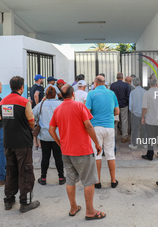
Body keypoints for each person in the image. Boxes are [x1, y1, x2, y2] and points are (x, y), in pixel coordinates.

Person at [48, 84, 106, 220]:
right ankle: (90, 211)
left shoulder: (58, 109)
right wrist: (97, 143)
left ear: (61, 95)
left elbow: (51, 130)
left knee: (70, 180)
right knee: (89, 181)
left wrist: (60, 143)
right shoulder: (79, 106)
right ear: (73, 94)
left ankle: (73, 207)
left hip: (66, 151)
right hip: (82, 150)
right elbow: (89, 126)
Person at [0, 76, 40, 213]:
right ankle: (25, 202)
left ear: (10, 87)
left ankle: (8, 200)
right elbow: (31, 121)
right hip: (23, 142)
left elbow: (1, 118)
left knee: (10, 170)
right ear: (21, 87)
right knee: (25, 171)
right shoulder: (24, 102)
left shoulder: (2, 102)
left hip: (8, 142)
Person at [86, 75, 119, 189]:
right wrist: (108, 115)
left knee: (96, 154)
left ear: (95, 83)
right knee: (110, 154)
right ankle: (113, 180)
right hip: (109, 127)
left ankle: (97, 181)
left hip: (96, 128)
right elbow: (117, 111)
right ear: (104, 83)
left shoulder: (91, 94)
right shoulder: (112, 93)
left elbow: (87, 112)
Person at [33, 87, 65, 186]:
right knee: (58, 157)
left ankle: (43, 178)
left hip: (44, 135)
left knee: (45, 157)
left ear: (46, 94)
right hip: (57, 135)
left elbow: (33, 114)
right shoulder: (61, 104)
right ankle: (61, 177)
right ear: (55, 94)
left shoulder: (41, 104)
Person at [141, 78, 158, 160]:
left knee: (150, 138)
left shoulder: (147, 93)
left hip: (150, 119)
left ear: (150, 85)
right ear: (157, 84)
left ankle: (150, 154)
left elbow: (144, 107)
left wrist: (143, 117)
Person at [110, 73, 130, 143]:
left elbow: (111, 96)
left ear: (116, 77)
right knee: (124, 121)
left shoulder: (112, 85)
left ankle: (114, 136)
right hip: (124, 105)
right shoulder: (126, 85)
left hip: (115, 106)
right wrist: (127, 103)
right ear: (122, 78)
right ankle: (124, 137)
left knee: (115, 120)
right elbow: (128, 96)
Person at [129, 77, 147, 150]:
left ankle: (134, 144)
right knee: (144, 128)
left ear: (133, 84)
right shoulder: (145, 91)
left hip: (135, 113)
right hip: (144, 114)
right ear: (140, 83)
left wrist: (132, 111)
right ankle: (145, 143)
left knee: (135, 129)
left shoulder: (132, 92)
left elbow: (131, 104)